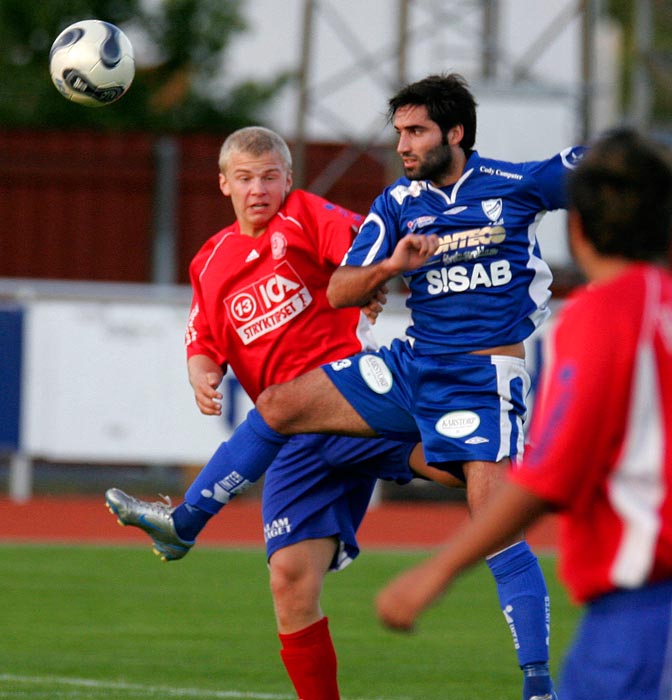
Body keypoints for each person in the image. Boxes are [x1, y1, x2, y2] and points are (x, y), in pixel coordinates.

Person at [108, 73, 585, 700]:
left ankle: (537, 684)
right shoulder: (396, 202)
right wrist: (391, 265)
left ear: (456, 132)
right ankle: (185, 524)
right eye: (400, 133)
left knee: (492, 519)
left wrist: (623, 163)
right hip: (412, 365)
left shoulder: (514, 184)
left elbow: (601, 174)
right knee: (280, 403)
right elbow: (340, 287)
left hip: (480, 376)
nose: (404, 145)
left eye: (416, 132)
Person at [106, 126, 461, 700]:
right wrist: (201, 368)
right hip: (291, 442)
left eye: (270, 176)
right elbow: (204, 337)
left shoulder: (303, 215)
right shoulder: (211, 261)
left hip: (348, 404)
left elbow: (359, 249)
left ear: (288, 179)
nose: (258, 189)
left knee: (462, 467)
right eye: (245, 178)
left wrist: (371, 280)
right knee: (290, 583)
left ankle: (549, 489)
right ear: (224, 185)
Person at [374, 127, 672, 700]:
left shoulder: (601, 316)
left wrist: (433, 574)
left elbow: (549, 474)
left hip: (642, 614)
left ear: (578, 229)